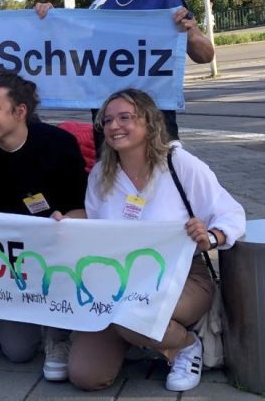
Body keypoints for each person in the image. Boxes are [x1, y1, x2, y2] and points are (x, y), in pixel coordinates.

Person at [61, 88, 245, 392]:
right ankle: (143, 338)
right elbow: (95, 225)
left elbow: (231, 213)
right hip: (120, 282)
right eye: (107, 120)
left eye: (125, 117)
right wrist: (67, 221)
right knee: (86, 375)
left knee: (130, 315)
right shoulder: (100, 176)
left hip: (183, 276)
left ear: (149, 122)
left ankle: (184, 345)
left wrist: (210, 236)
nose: (114, 126)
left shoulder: (178, 164)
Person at [34, 0, 214, 150]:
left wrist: (191, 33)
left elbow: (205, 55)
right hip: (109, 125)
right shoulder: (105, 6)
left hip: (152, 125)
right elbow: (85, 58)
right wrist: (51, 20)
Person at [0, 70, 87, 374]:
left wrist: (65, 221)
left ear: (20, 112)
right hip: (9, 261)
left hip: (59, 257)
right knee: (17, 352)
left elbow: (85, 210)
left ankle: (59, 334)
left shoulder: (59, 144)